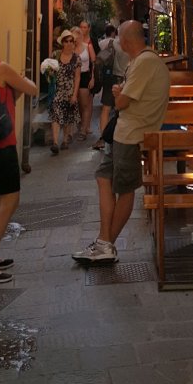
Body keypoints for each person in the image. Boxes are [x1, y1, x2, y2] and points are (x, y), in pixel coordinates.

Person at [72, 20, 170, 264]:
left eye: (119, 39)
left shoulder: (145, 62)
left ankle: (105, 244)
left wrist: (120, 95)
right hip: (122, 132)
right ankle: (104, 242)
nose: (117, 42)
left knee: (125, 189)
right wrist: (120, 94)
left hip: (132, 133)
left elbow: (123, 101)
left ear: (125, 41)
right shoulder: (139, 61)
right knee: (103, 177)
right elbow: (124, 95)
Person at [0, 33, 38, 283]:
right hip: (3, 144)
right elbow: (32, 89)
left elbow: (9, 98)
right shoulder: (0, 68)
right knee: (10, 200)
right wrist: (24, 78)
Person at [92, 26, 129, 150]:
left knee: (106, 108)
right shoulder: (131, 46)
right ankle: (121, 138)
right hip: (126, 79)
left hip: (111, 78)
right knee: (123, 109)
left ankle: (103, 138)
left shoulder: (112, 43)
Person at [48, 31, 81, 153]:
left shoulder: (76, 58)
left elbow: (77, 77)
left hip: (69, 91)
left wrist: (75, 94)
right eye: (66, 41)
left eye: (71, 41)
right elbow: (49, 70)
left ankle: (65, 140)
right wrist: (49, 72)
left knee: (67, 116)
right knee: (56, 115)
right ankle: (55, 142)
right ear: (62, 43)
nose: (69, 43)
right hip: (57, 90)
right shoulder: (55, 55)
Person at [75, 20, 97, 140]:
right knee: (78, 104)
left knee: (85, 104)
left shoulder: (88, 45)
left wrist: (92, 78)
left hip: (85, 76)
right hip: (74, 77)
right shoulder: (72, 47)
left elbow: (94, 62)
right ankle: (81, 126)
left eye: (84, 28)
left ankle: (84, 130)